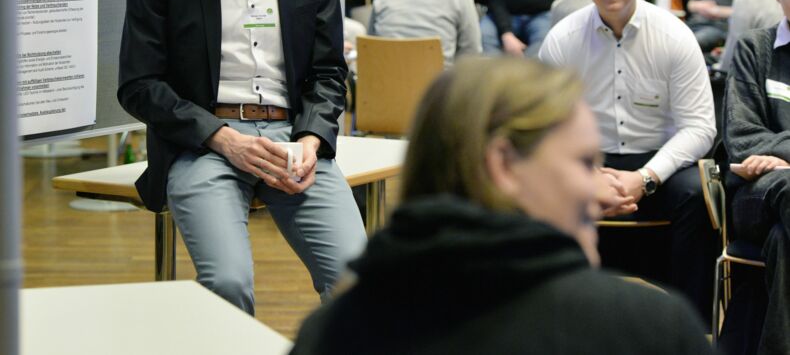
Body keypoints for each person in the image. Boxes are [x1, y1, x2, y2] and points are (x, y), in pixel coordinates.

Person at [117, 0, 366, 315]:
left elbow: (327, 70)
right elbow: (140, 83)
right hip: (205, 142)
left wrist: (312, 138)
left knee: (359, 280)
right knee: (228, 284)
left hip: (290, 144)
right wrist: (221, 138)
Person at [289, 57, 713, 355]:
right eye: (585, 163)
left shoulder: (331, 331)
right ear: (504, 164)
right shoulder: (645, 329)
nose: (598, 190)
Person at [539, 0, 718, 322]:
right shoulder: (562, 40)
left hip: (661, 164)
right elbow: (543, 127)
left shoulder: (675, 36)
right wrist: (585, 174)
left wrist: (647, 176)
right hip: (589, 161)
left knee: (697, 195)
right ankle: (555, 319)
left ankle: (690, 327)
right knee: (537, 185)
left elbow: (701, 127)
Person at [722, 0, 790, 355]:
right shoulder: (754, 49)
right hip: (757, 192)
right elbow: (743, 138)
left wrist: (784, 153)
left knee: (785, 241)